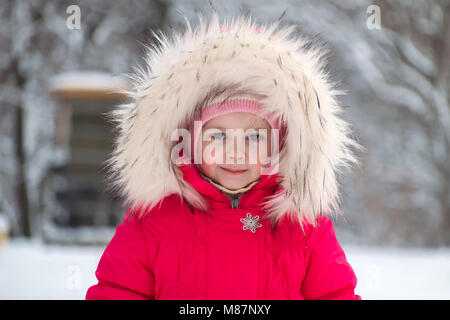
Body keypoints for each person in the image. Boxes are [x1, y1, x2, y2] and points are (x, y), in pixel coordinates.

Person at [86, 11, 364, 300]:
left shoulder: (303, 229)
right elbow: (119, 291)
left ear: (279, 146)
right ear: (189, 143)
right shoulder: (154, 221)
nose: (235, 152)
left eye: (254, 137)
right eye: (217, 136)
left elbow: (335, 294)